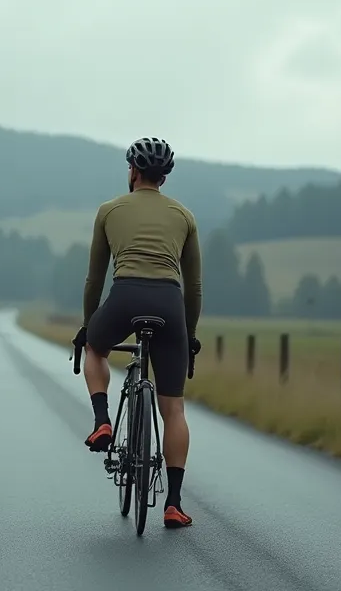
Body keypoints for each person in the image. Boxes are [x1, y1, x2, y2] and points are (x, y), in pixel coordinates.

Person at [73, 136, 202, 529]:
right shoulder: (184, 216)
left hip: (125, 297)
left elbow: (94, 279)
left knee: (96, 348)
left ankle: (102, 421)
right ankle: (173, 504)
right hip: (170, 304)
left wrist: (88, 326)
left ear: (132, 171)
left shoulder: (109, 210)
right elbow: (194, 287)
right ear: (163, 177)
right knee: (174, 409)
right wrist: (189, 334)